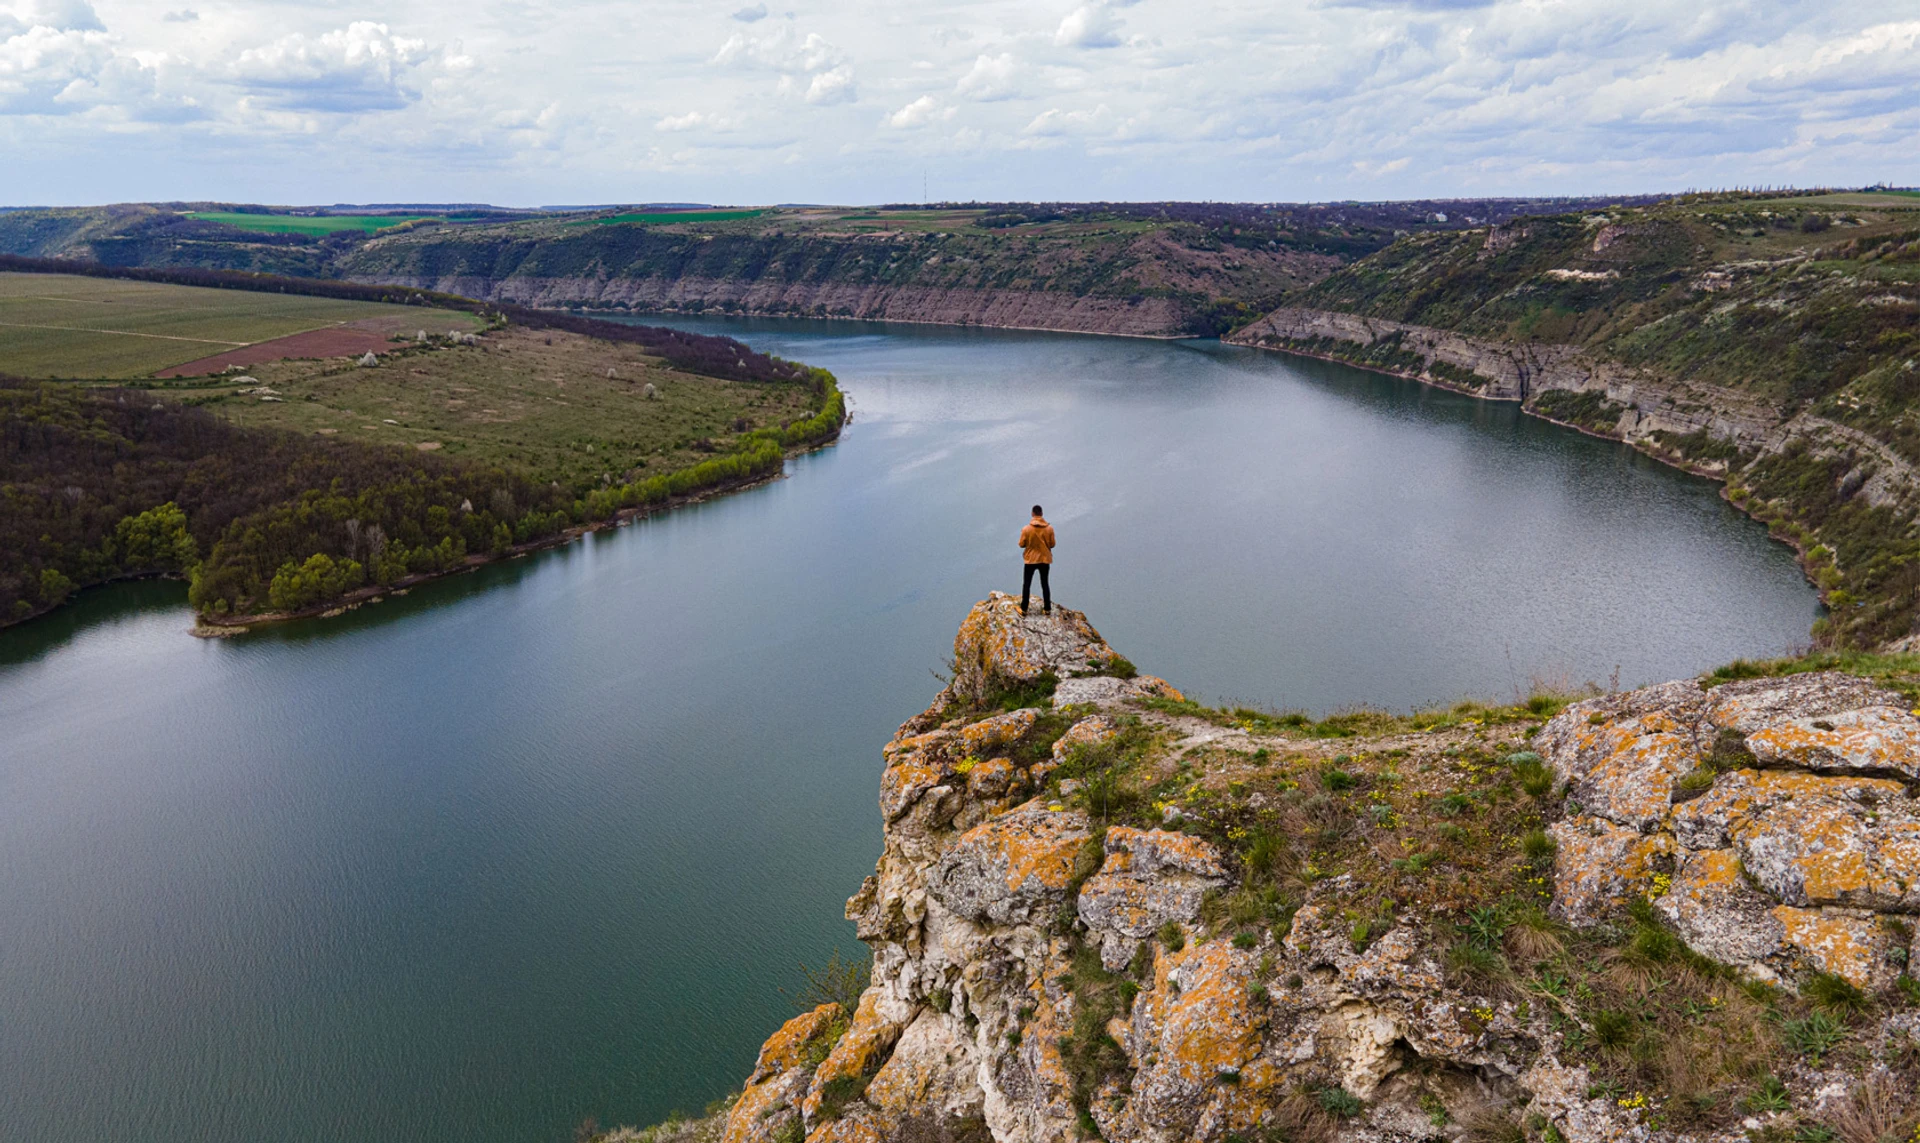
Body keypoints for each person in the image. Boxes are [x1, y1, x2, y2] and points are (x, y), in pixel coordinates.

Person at [1018, 505, 1055, 614]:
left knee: (1027, 584)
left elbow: (1021, 544)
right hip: (1044, 559)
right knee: (1045, 583)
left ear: (1032, 514)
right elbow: (1052, 544)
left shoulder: (1026, 529)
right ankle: (1047, 608)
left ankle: (1024, 608)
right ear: (1041, 514)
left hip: (1030, 560)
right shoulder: (1049, 529)